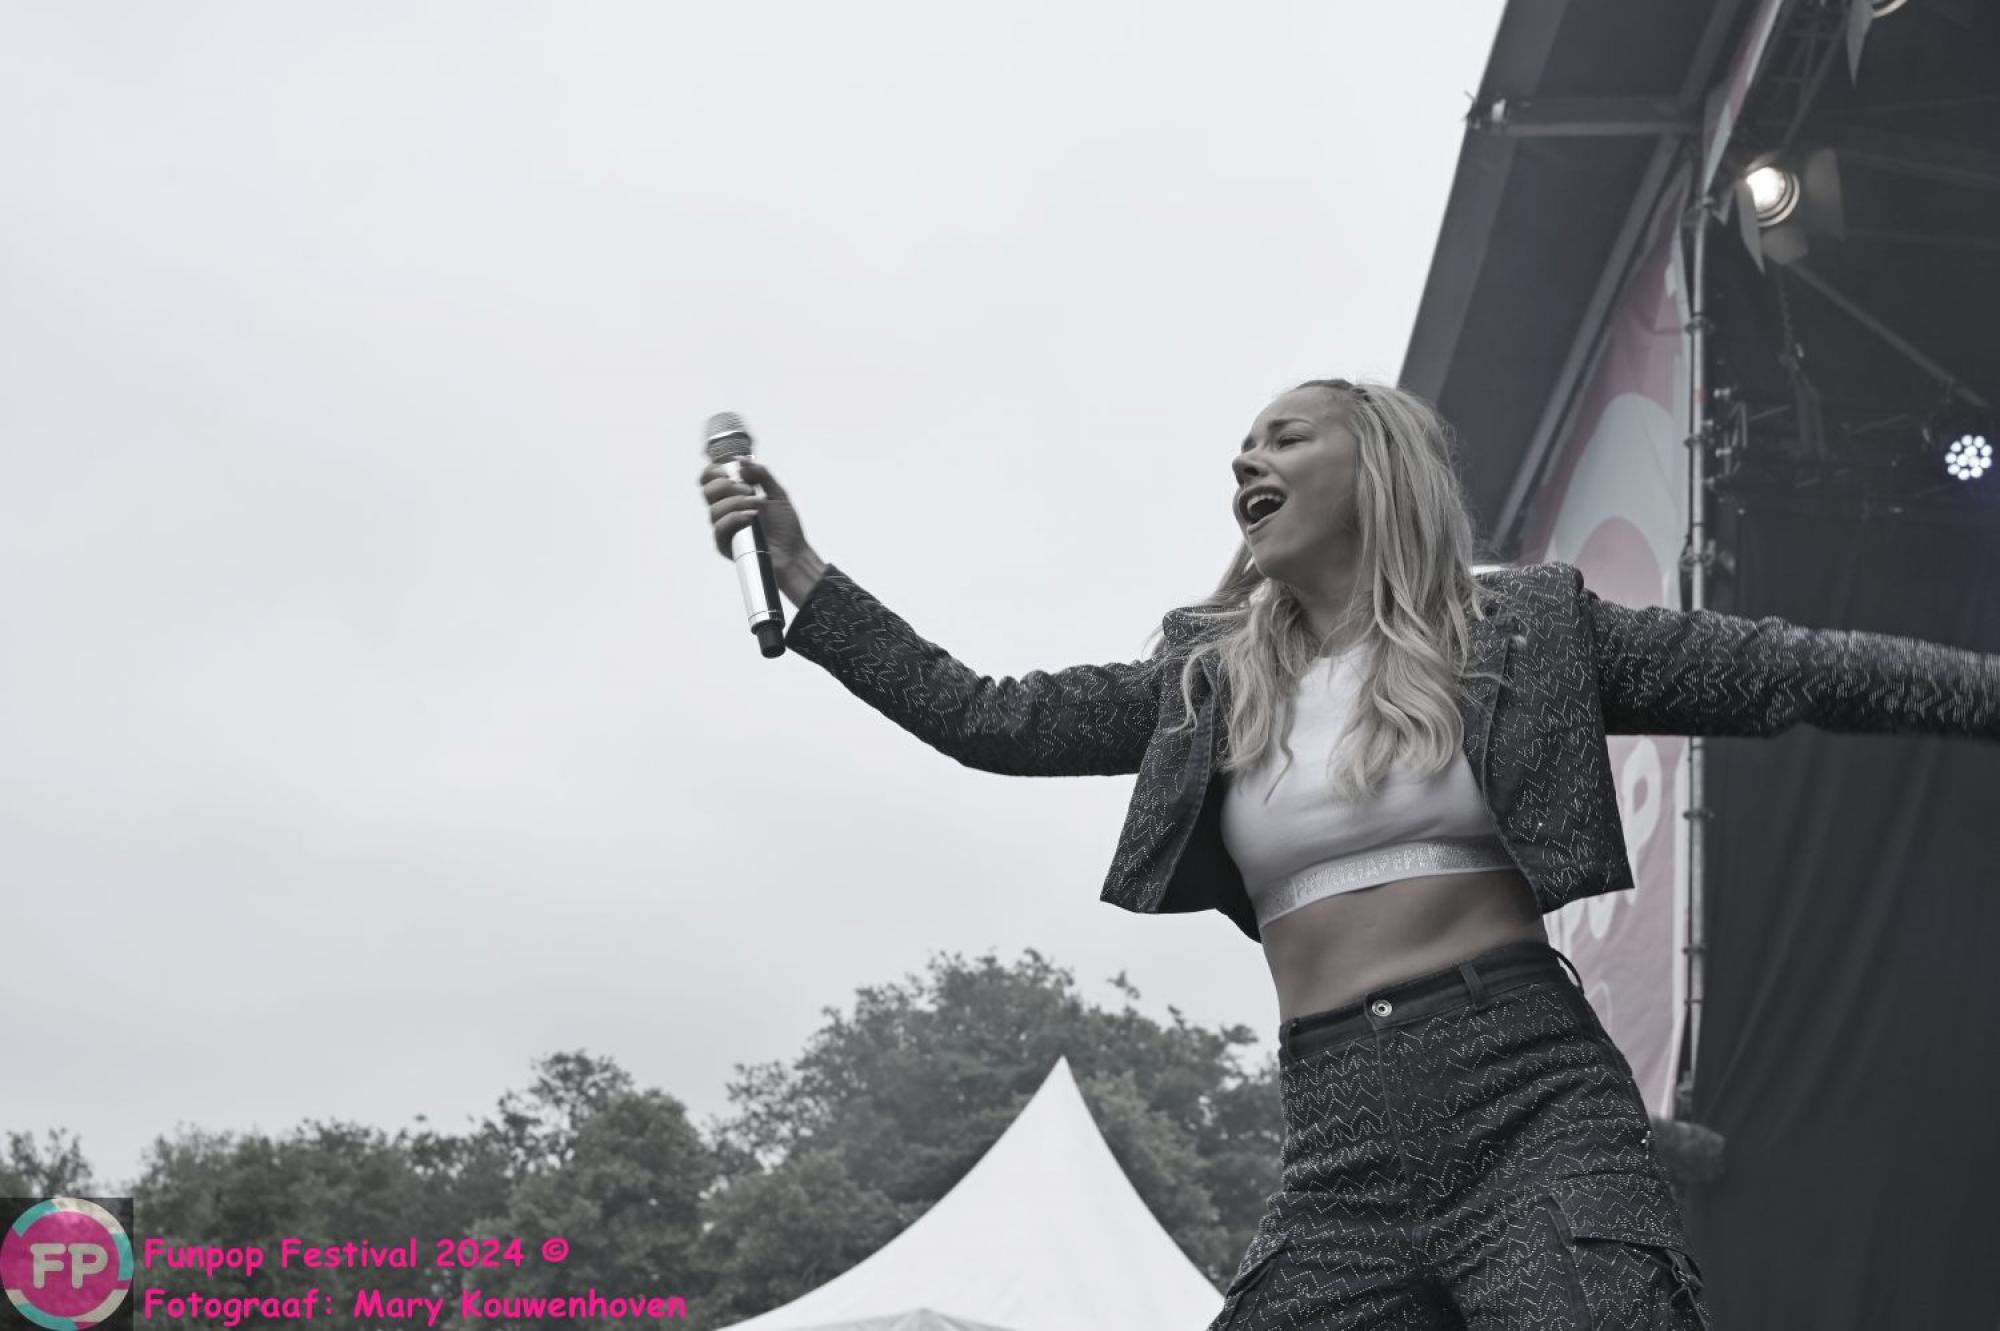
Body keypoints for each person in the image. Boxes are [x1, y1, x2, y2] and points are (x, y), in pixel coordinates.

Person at [698, 377, 2000, 1329]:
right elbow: (989, 718)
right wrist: (805, 574)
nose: (1245, 458)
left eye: (1284, 436)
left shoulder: (1526, 630)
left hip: (1531, 1098)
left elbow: (1785, 670)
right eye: (1241, 448)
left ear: (1375, 467)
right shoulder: (1209, 683)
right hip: (1337, 1140)